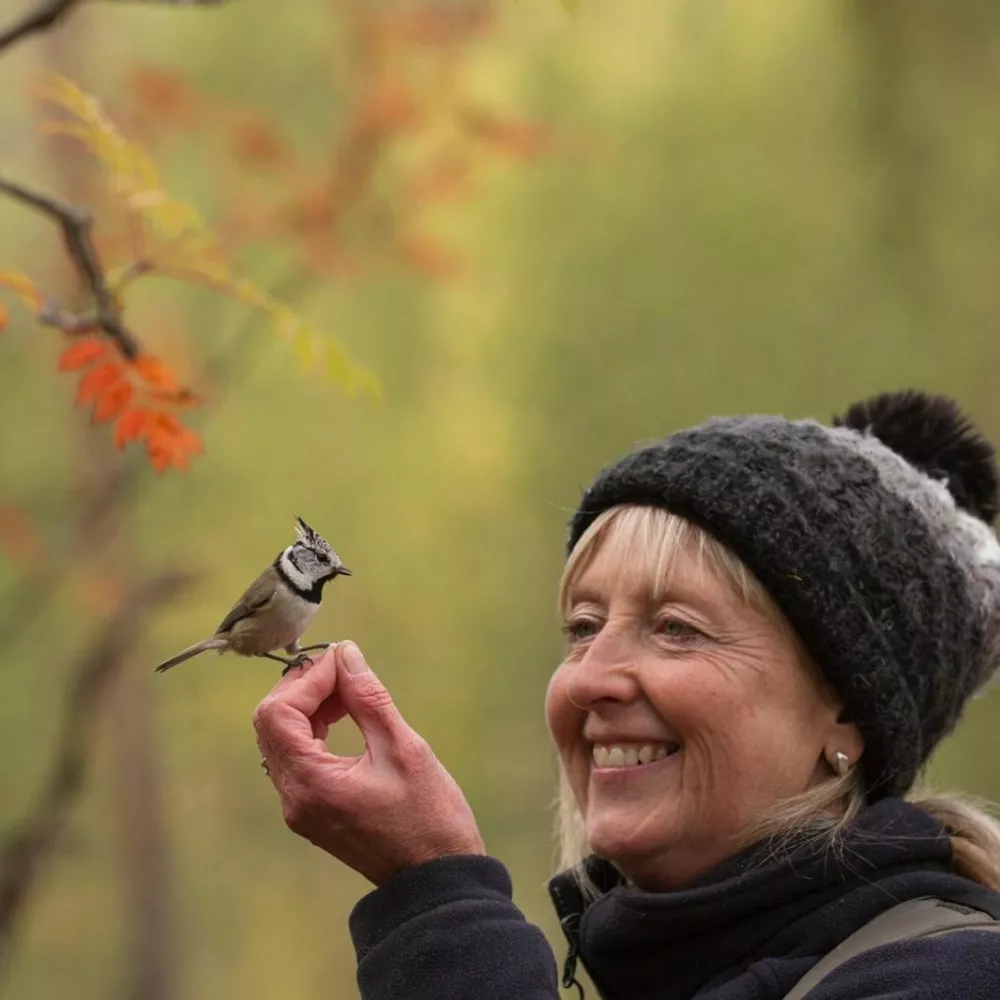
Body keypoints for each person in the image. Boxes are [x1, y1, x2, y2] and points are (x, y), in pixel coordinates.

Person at [253, 388, 1000, 999]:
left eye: (676, 628)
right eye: (583, 627)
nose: (586, 678)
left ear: (845, 709)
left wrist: (438, 899)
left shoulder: (954, 978)